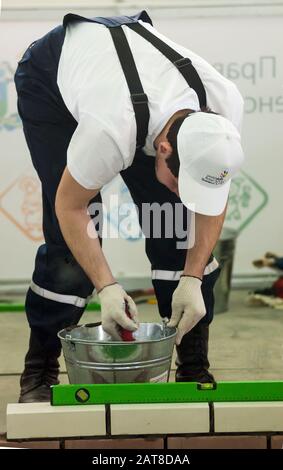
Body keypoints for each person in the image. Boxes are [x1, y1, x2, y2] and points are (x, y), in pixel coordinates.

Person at [14, 10, 244, 403]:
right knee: (73, 246)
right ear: (164, 149)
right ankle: (39, 370)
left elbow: (212, 195)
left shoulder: (222, 111)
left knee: (175, 223)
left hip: (136, 88)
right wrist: (106, 285)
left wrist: (192, 279)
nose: (184, 192)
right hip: (51, 79)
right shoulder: (111, 128)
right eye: (180, 180)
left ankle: (192, 367)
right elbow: (71, 207)